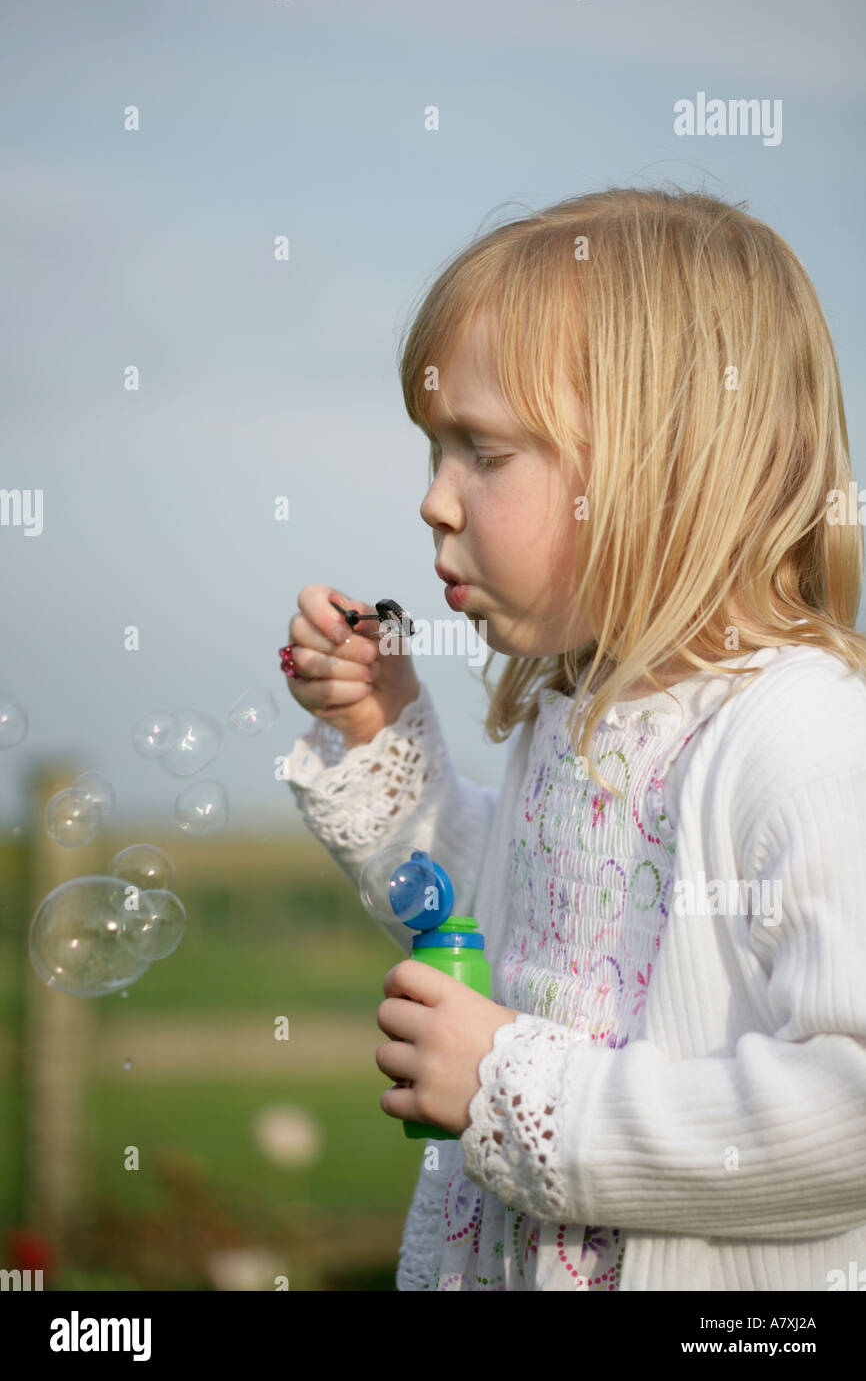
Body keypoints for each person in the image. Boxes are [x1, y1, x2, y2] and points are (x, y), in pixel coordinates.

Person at [280, 186, 866, 1290]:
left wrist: (514, 1090)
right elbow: (490, 927)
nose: (432, 503)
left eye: (481, 453)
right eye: (431, 452)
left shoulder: (803, 735)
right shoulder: (578, 717)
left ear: (664, 466)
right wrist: (380, 735)